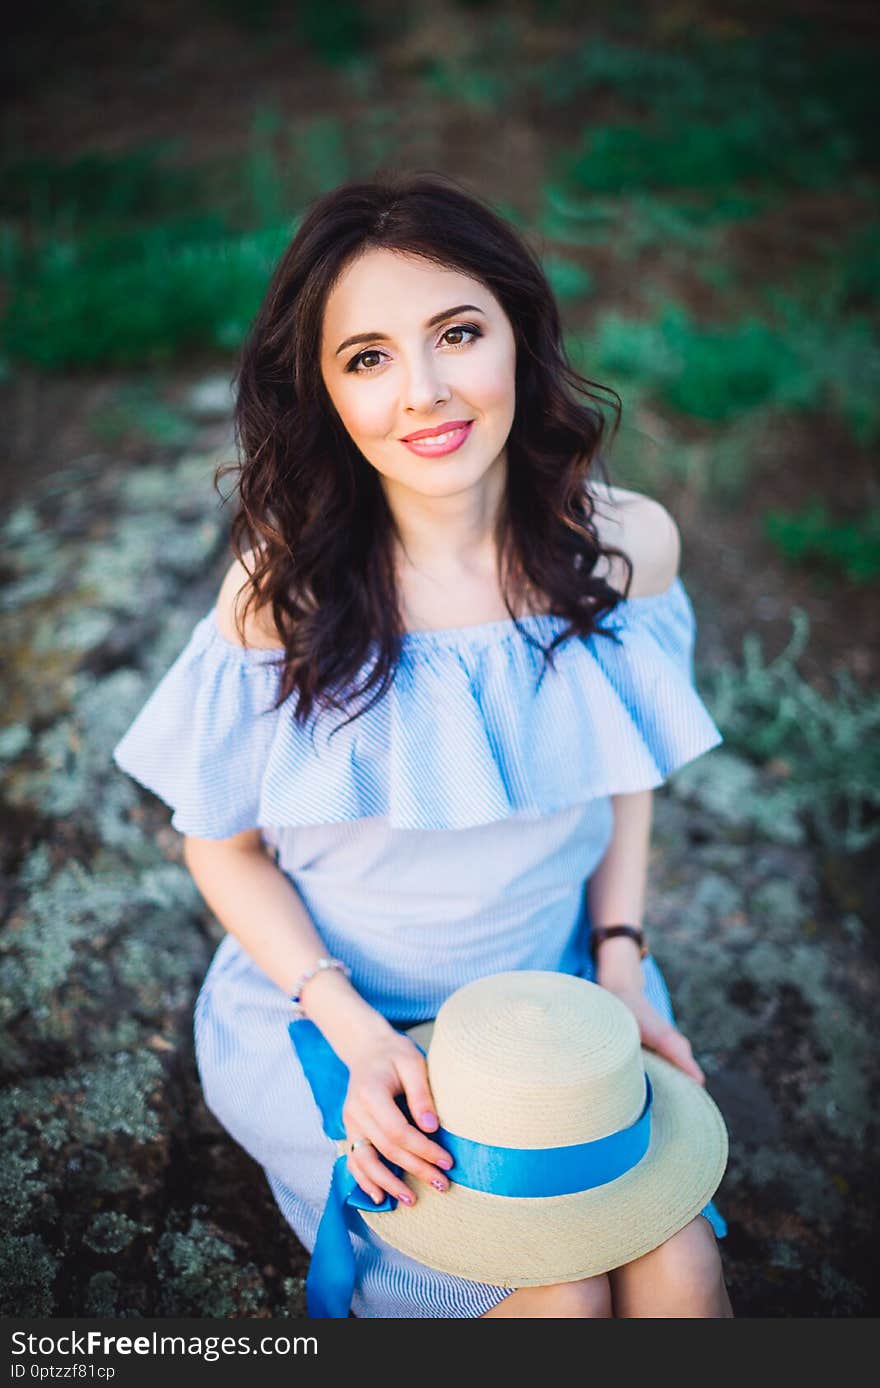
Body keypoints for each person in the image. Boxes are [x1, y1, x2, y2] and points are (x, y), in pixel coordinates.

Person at [112, 170, 733, 1318]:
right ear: (328, 394)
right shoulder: (284, 593)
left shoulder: (628, 545)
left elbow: (626, 769)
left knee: (679, 1265)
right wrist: (354, 1038)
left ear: (518, 334)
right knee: (561, 1297)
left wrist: (619, 958)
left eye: (457, 332)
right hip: (336, 1016)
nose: (427, 392)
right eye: (369, 357)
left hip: (546, 1004)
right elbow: (221, 847)